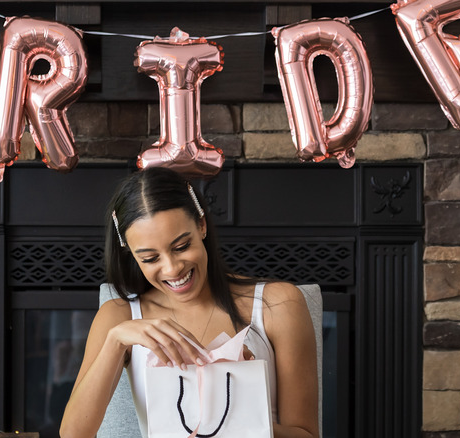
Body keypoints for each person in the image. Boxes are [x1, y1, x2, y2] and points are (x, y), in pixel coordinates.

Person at [60, 167, 319, 438]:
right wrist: (115, 341)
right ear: (131, 256)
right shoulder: (120, 316)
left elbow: (307, 434)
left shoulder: (277, 304)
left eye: (182, 246)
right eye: (150, 259)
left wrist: (239, 414)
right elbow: (73, 435)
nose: (172, 269)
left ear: (202, 225)